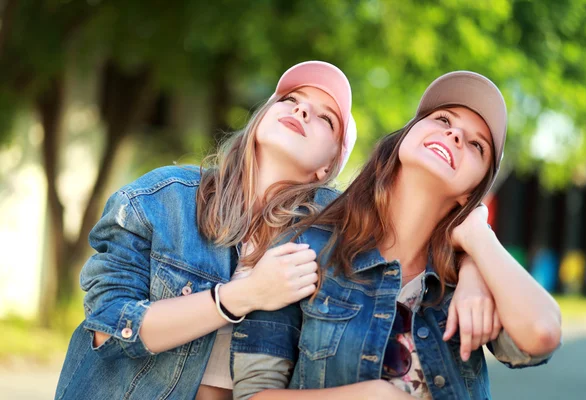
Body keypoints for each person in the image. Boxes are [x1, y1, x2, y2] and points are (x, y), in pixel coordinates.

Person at [231, 71, 562, 399]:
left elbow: (542, 333)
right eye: (443, 119)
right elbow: (252, 395)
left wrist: (479, 234)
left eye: (477, 145)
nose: (455, 135)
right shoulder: (309, 244)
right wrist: (372, 396)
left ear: (471, 192)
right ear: (406, 136)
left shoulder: (472, 277)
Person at [55, 60, 359, 400]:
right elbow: (107, 327)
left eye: (326, 118)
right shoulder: (164, 199)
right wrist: (244, 294)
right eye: (290, 99)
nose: (302, 110)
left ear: (327, 167)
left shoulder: (331, 250)